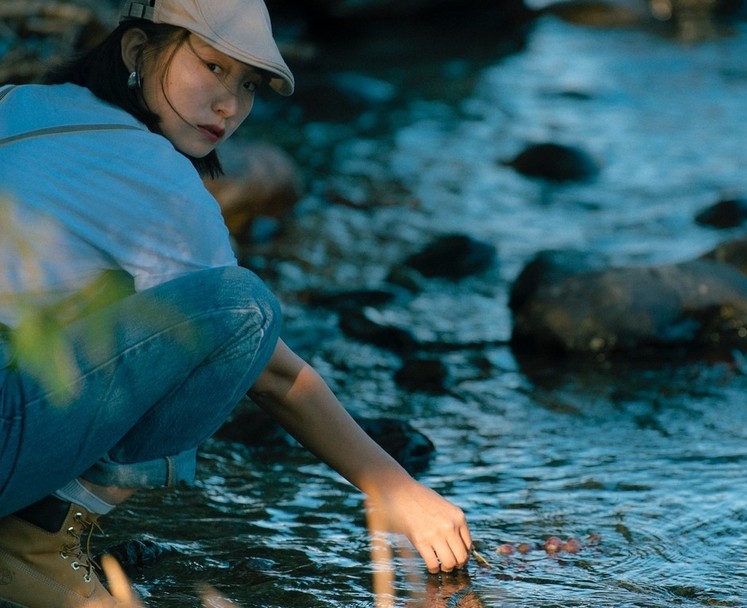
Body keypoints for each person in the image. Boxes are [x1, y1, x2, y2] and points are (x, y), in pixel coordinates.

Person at [0, 1, 473, 606]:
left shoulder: (16, 102)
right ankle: (34, 538)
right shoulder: (159, 179)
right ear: (137, 51)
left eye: (247, 83)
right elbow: (268, 368)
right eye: (213, 67)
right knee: (242, 309)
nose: (230, 104)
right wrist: (395, 488)